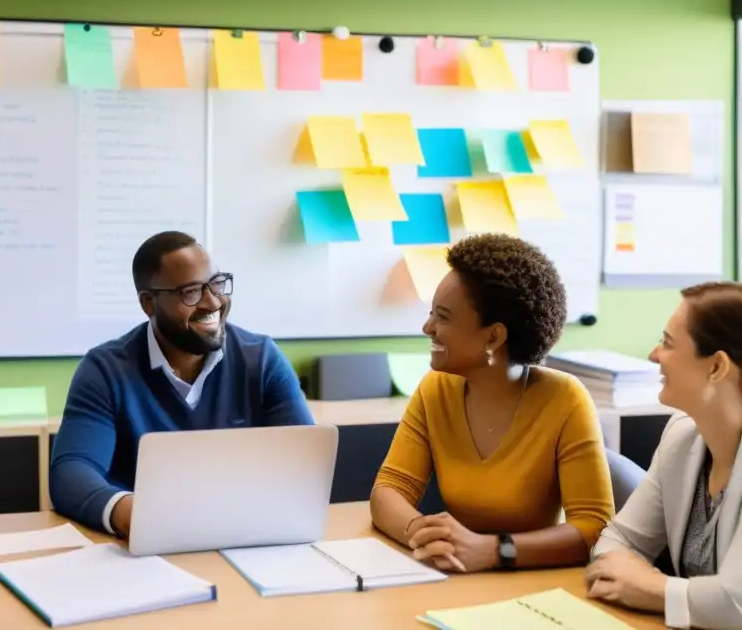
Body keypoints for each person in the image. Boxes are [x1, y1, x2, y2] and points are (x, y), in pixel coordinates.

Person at [370, 233, 614, 573]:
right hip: (458, 577)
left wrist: (492, 550)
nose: (428, 327)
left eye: (443, 317)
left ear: (493, 337)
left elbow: (593, 529)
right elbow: (388, 491)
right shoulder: (434, 389)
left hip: (535, 586)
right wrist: (420, 533)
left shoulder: (565, 400)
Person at [49, 231, 314, 535]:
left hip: (244, 534)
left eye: (216, 284)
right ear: (149, 303)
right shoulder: (105, 370)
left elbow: (305, 463)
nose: (213, 302)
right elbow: (71, 473)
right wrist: (133, 514)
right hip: (144, 550)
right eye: (191, 292)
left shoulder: (262, 359)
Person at [587, 282, 742, 630]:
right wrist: (636, 579)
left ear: (717, 367)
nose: (654, 354)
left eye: (669, 343)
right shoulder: (682, 435)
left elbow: (736, 603)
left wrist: (652, 588)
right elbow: (618, 541)